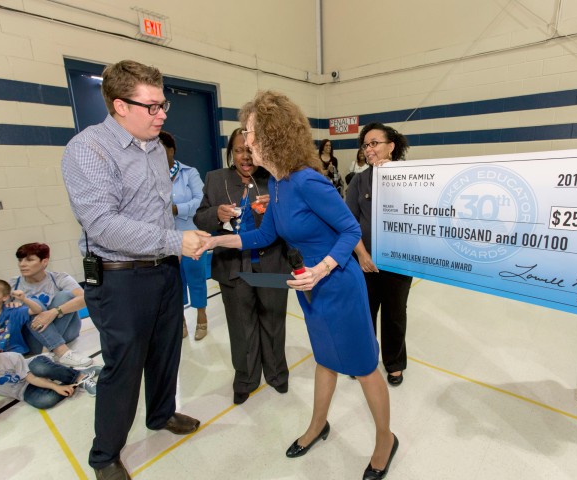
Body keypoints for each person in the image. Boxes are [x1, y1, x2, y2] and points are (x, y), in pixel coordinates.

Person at [197, 91, 399, 480]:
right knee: (324, 359)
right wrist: (215, 240)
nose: (247, 140)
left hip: (337, 284)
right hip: (311, 288)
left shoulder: (308, 181)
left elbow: (350, 229)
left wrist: (322, 269)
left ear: (272, 135)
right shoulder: (276, 184)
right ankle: (317, 425)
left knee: (364, 367)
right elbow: (263, 236)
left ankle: (384, 440)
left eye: (252, 132)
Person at [61, 59, 202, 479]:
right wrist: (177, 241)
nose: (161, 114)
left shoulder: (156, 148)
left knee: (166, 352)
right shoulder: (88, 149)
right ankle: (105, 455)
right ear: (119, 106)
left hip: (164, 270)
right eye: (152, 106)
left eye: (163, 106)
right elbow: (102, 224)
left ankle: (160, 415)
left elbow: (158, 213)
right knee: (123, 367)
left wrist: (176, 246)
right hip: (120, 277)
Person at [194, 128, 290, 405]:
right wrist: (216, 214)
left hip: (271, 263)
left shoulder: (273, 179)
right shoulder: (215, 179)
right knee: (240, 325)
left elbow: (292, 220)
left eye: (250, 150)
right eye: (239, 150)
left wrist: (276, 206)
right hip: (233, 267)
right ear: (230, 154)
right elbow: (200, 219)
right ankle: (246, 377)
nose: (245, 157)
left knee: (273, 322)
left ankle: (276, 373)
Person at [347, 123, 413, 387]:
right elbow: (349, 224)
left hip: (399, 262)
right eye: (366, 144)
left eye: (375, 143)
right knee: (364, 313)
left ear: (391, 146)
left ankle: (394, 363)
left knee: (395, 314)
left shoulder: (412, 178)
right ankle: (363, 358)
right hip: (366, 262)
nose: (369, 149)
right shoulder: (358, 181)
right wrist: (362, 255)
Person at [0, 332, 100, 420]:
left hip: (32, 370)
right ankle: (71, 379)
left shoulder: (11, 357)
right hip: (23, 390)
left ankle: (79, 376)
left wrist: (54, 386)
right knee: (44, 401)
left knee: (40, 367)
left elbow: (30, 377)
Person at [158, 131, 209, 341]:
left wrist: (178, 209)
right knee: (173, 283)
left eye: (160, 149)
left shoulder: (189, 173)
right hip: (166, 240)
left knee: (196, 277)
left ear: (171, 150)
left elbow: (202, 200)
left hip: (192, 235)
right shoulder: (150, 175)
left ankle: (201, 318)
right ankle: (180, 321)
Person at [11, 242, 92, 367]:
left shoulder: (60, 278)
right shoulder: (13, 284)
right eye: (20, 260)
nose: (22, 264)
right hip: (34, 338)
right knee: (33, 305)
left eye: (29, 260)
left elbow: (85, 299)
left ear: (44, 262)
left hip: (67, 331)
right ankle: (60, 351)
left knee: (65, 296)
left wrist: (53, 313)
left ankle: (50, 350)